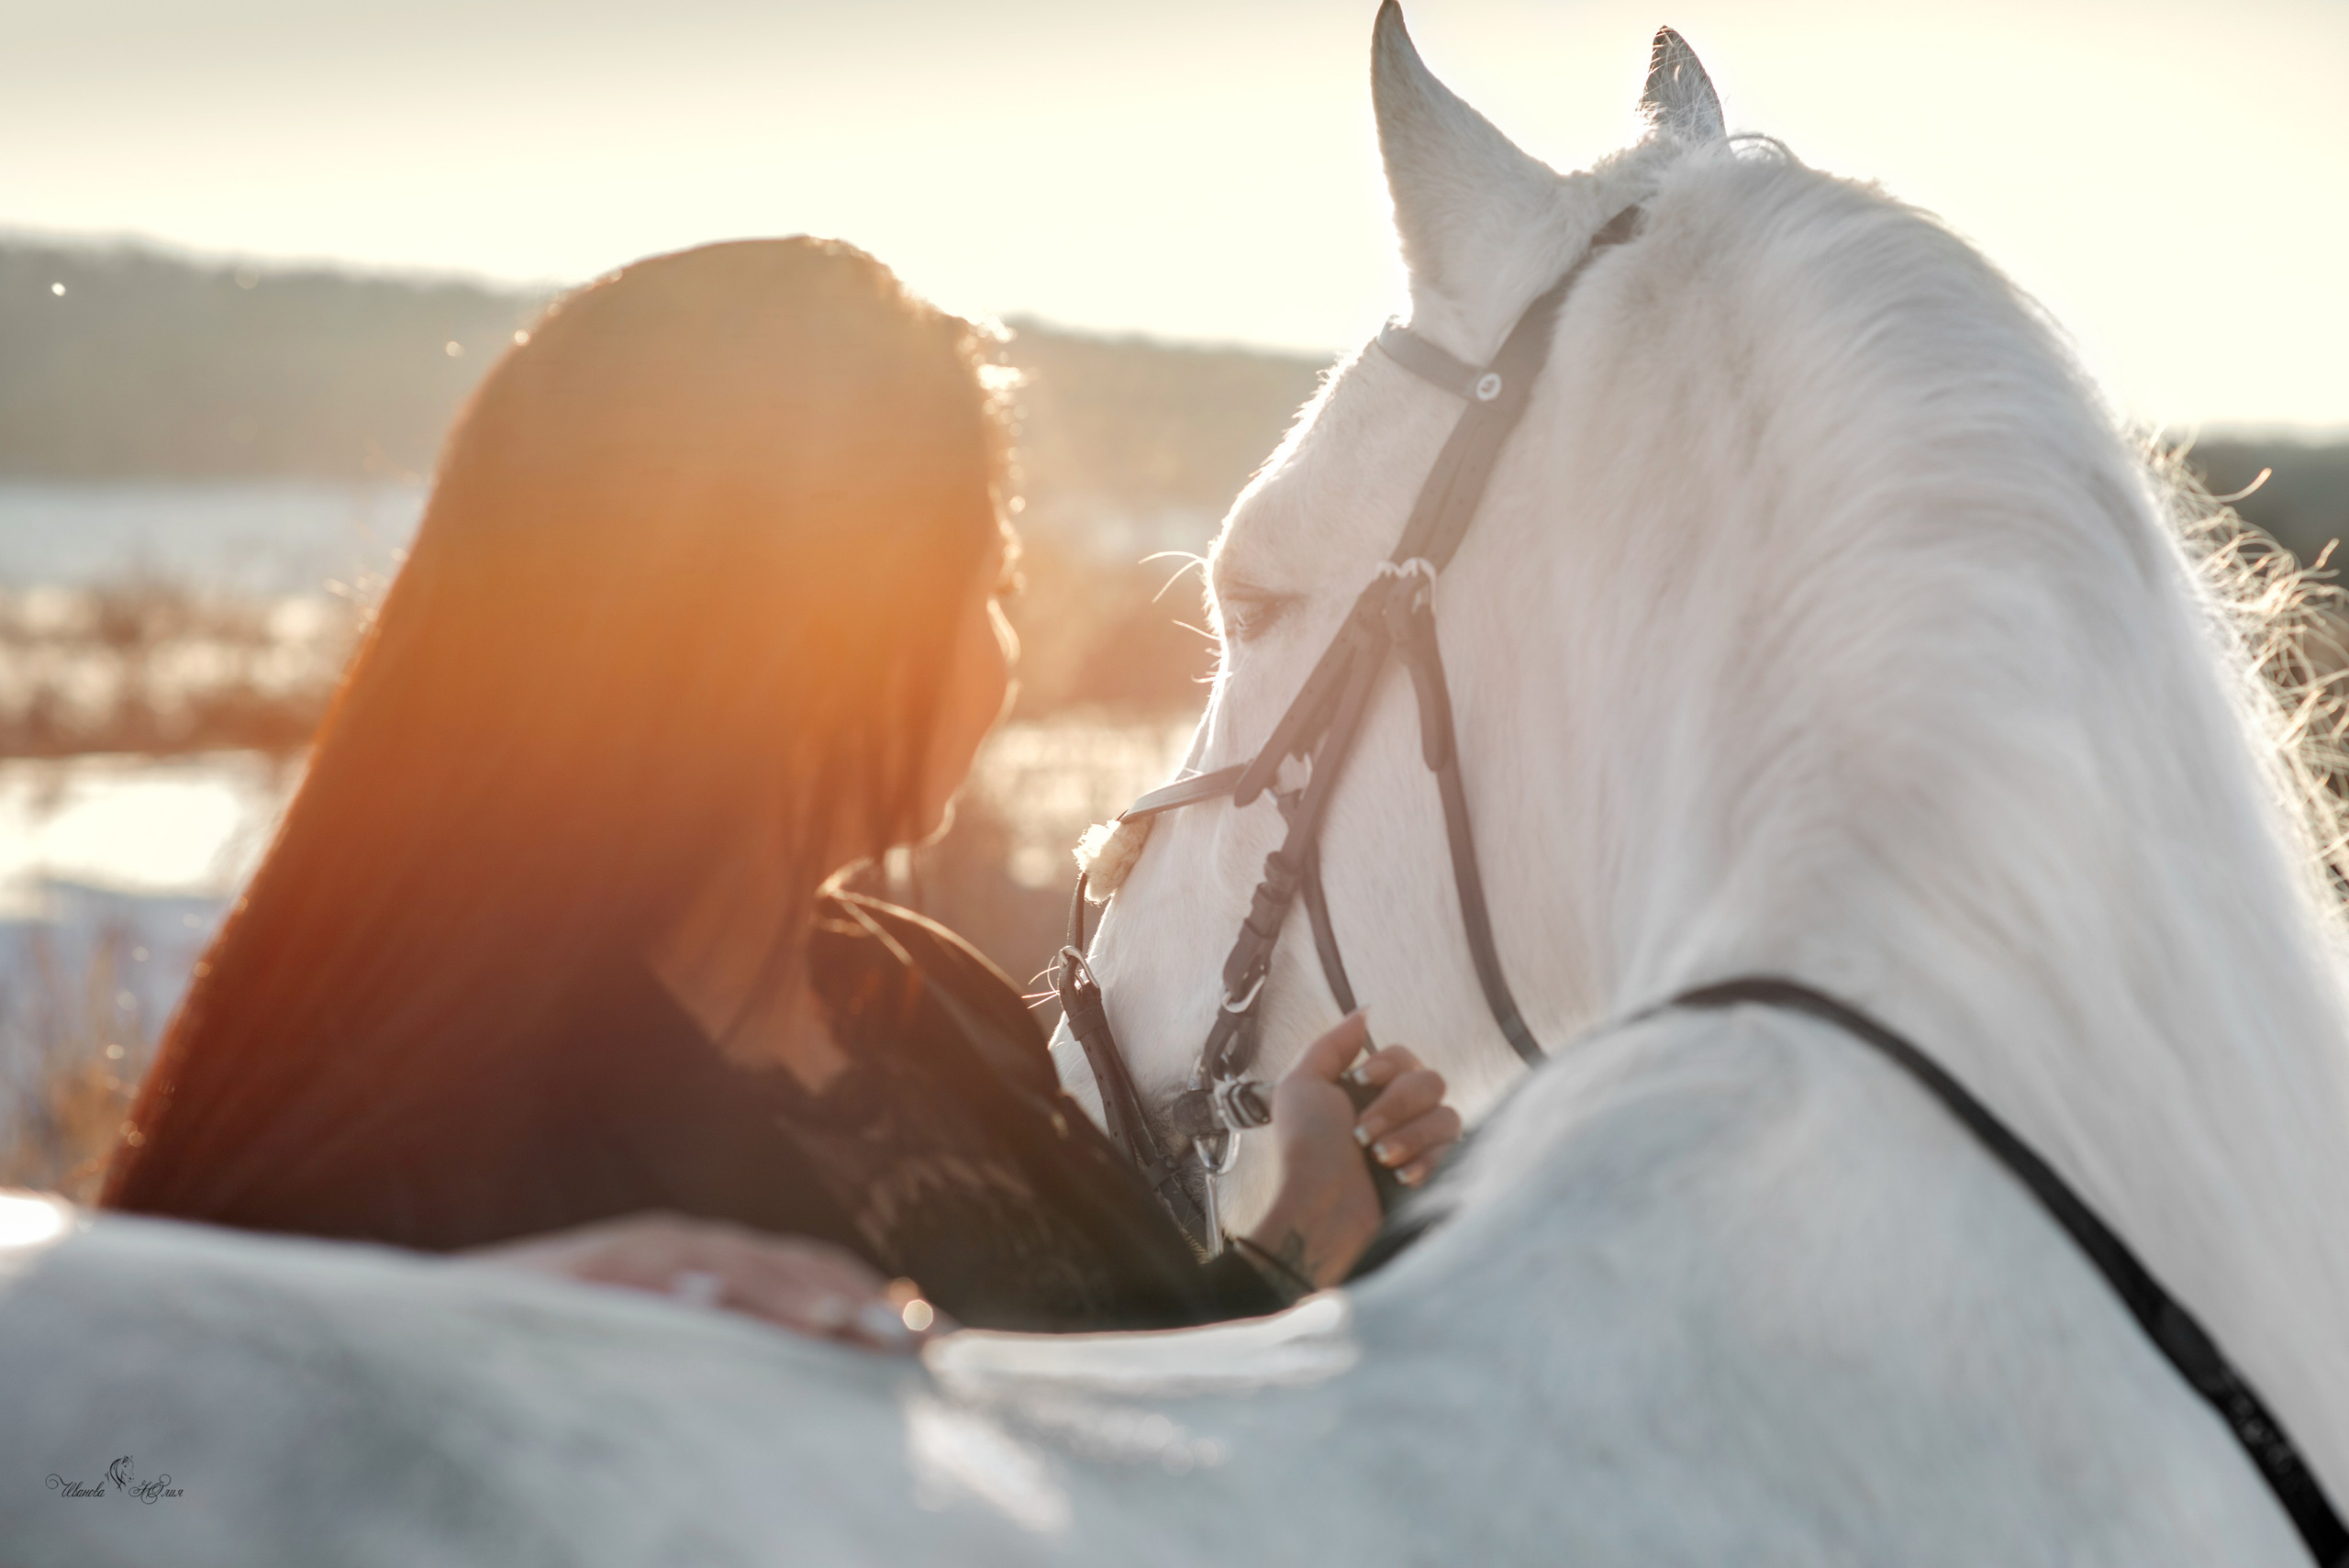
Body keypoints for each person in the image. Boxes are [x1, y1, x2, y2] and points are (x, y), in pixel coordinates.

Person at [100, 238, 1462, 1347]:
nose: (1008, 651)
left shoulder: (933, 1013)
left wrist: (1317, 1224)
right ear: (826, 631)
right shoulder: (420, 1135)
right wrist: (481, 1330)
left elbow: (1116, 1441)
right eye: (987, 585)